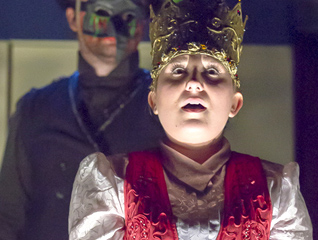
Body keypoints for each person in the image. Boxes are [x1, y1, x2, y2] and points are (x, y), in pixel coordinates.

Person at [68, 0, 313, 239]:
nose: (194, 83)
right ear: (153, 100)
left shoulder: (276, 189)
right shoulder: (113, 182)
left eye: (212, 71)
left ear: (234, 103)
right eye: (177, 71)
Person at [0, 0, 164, 239]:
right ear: (73, 18)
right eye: (99, 12)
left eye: (128, 13)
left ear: (142, 23)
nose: (113, 27)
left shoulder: (171, 107)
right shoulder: (35, 109)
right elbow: (8, 216)